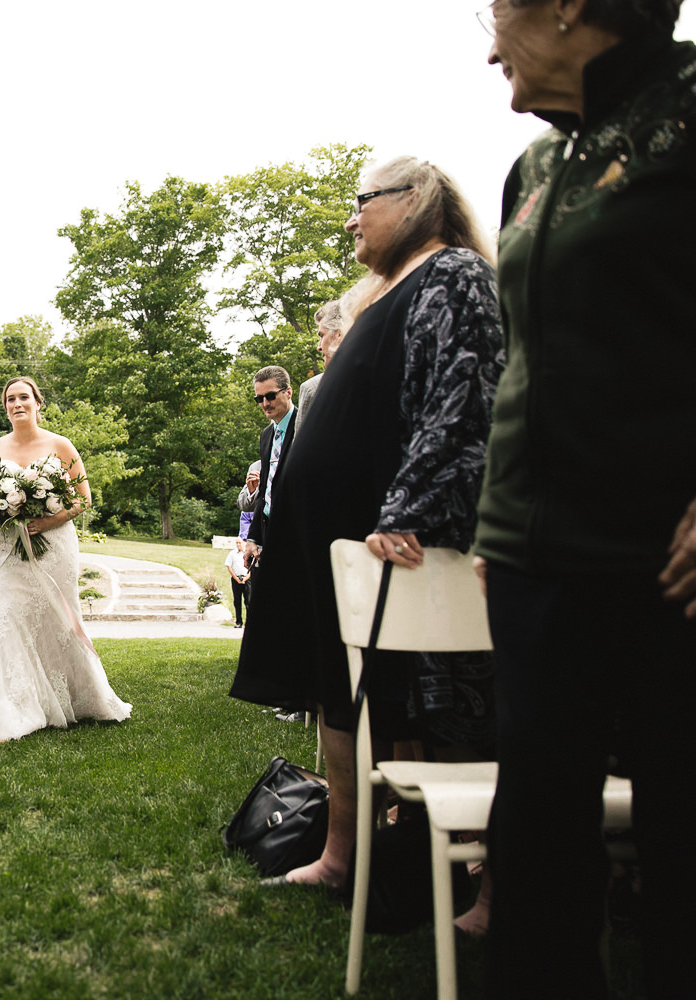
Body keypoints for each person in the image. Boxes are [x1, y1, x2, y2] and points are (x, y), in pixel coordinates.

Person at [473, 3, 696, 996]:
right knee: (533, 853)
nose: (490, 46)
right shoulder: (531, 169)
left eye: (498, 12)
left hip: (686, 556)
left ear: (569, 5)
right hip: (534, 559)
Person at [234, 157, 504, 901]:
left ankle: (487, 882)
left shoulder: (455, 274)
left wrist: (411, 506)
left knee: (442, 705)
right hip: (341, 540)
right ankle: (342, 857)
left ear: (414, 199)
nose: (352, 219)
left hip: (406, 540)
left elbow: (466, 395)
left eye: (363, 203)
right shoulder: (380, 291)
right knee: (338, 696)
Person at [0, 376, 130, 741]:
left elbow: (84, 499)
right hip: (7, 551)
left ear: (38, 403)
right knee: (7, 618)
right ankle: (10, 710)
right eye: (10, 399)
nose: (16, 404)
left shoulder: (60, 444)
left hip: (53, 547)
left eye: (24, 397)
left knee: (57, 622)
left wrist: (48, 520)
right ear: (5, 406)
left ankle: (72, 697)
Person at [237, 365, 295, 578]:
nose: (265, 403)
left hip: (296, 532)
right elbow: (266, 491)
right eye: (259, 398)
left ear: (288, 392)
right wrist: (253, 538)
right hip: (267, 532)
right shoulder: (266, 435)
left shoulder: (305, 425)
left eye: (270, 396)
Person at [293, 299, 345, 439]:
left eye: (322, 336)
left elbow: (301, 457)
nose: (319, 346)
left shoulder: (314, 389)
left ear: (339, 334)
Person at [224, 539, 250, 628]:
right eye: (237, 543)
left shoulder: (248, 553)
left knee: (248, 601)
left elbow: (252, 567)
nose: (238, 544)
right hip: (236, 579)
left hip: (247, 579)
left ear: (244, 543)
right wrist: (236, 578)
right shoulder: (232, 554)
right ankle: (239, 622)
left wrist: (245, 578)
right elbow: (228, 566)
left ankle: (249, 622)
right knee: (237, 601)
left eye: (240, 542)